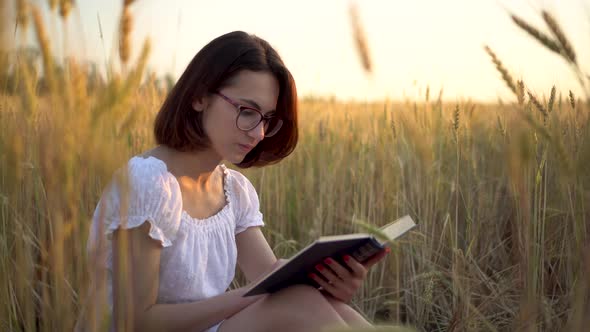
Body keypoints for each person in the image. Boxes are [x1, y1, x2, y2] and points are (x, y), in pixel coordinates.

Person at [85, 31, 390, 332]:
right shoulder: (149, 183)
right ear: (199, 97)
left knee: (331, 309)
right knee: (301, 304)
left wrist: (334, 286)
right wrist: (253, 292)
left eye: (267, 119)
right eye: (247, 111)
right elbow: (137, 322)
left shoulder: (233, 191)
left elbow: (274, 283)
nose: (258, 133)